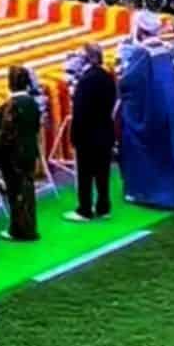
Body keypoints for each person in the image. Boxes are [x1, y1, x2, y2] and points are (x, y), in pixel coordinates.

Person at [117, 12, 174, 209]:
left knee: (145, 153)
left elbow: (128, 82)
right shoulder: (167, 48)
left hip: (147, 112)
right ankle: (173, 191)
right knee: (170, 150)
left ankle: (147, 193)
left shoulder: (140, 53)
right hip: (172, 109)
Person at [65, 43, 117, 222]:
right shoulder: (107, 76)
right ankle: (103, 207)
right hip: (105, 130)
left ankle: (84, 209)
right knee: (103, 173)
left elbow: (80, 112)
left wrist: (74, 136)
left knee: (85, 174)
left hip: (88, 135)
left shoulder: (86, 81)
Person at [0, 66, 41, 242]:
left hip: (14, 156)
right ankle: (28, 226)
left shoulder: (8, 107)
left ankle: (20, 230)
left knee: (16, 193)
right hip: (30, 151)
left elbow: (3, 135)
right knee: (27, 190)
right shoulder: (32, 103)